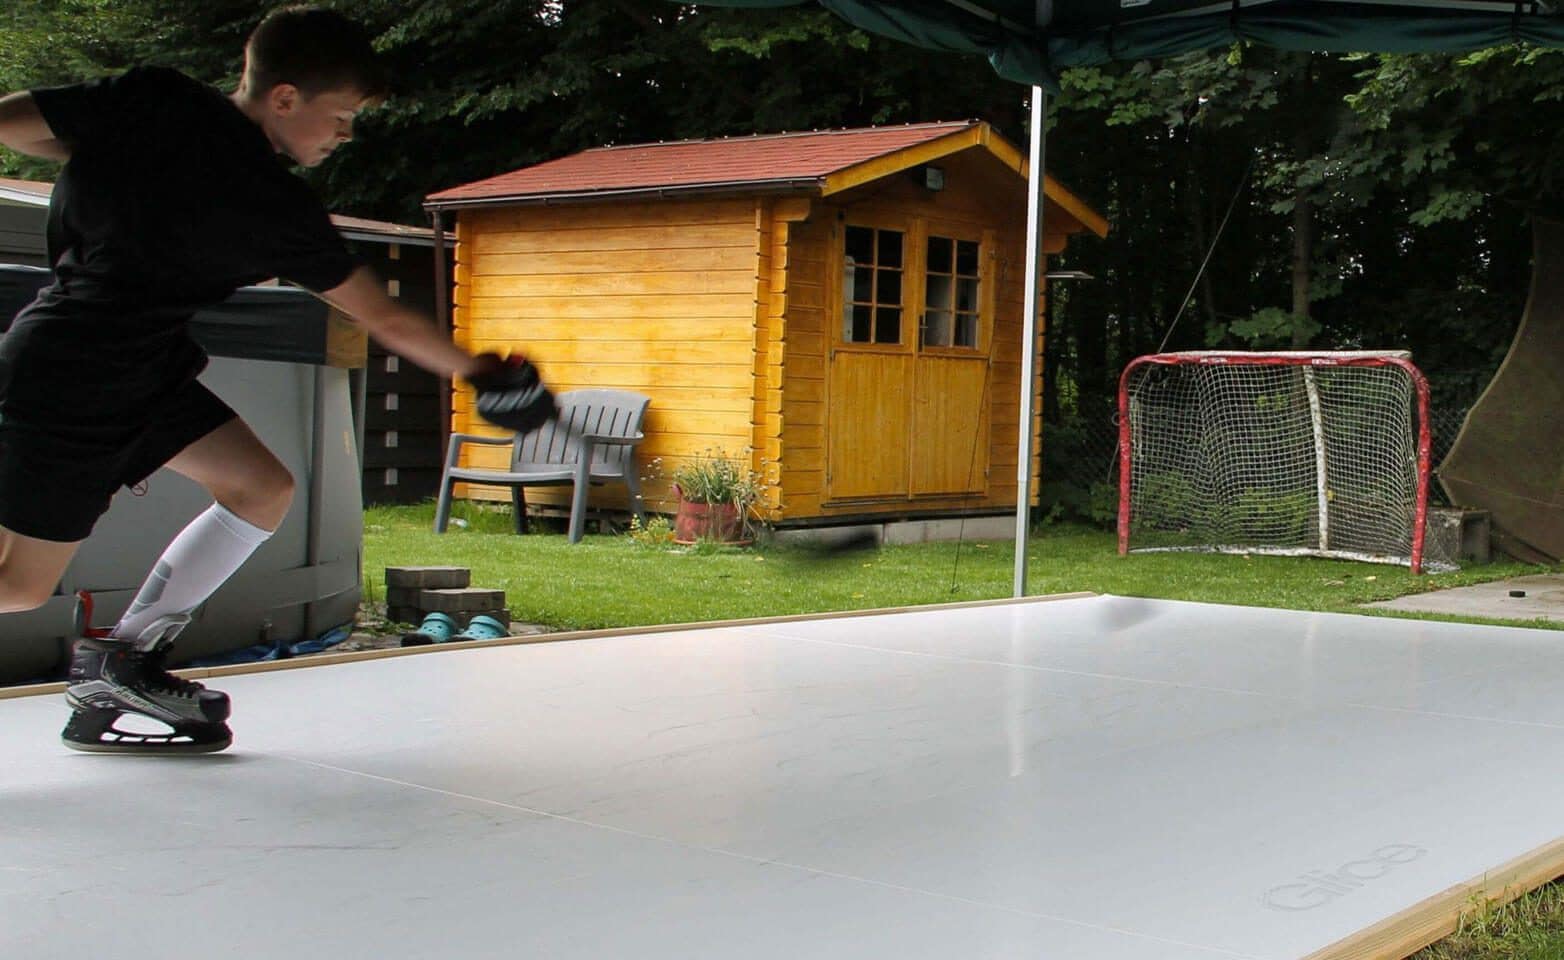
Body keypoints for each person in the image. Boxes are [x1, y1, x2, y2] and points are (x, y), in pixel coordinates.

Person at [0, 6, 551, 754]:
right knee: (21, 585)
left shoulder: (152, 102)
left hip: (142, 368)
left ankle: (123, 662)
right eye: (342, 116)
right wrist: (484, 374)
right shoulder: (271, 203)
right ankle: (116, 665)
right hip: (73, 377)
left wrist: (99, 155)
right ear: (285, 98)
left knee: (261, 488)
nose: (344, 134)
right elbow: (383, 318)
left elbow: (18, 124)